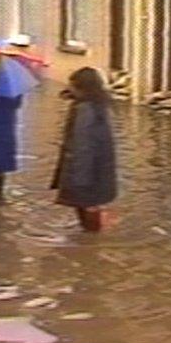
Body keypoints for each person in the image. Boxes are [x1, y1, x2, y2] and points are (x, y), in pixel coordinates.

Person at [52, 67, 118, 231]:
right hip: (98, 166)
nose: (69, 87)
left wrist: (79, 177)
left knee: (87, 203)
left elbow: (83, 143)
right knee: (90, 202)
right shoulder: (99, 104)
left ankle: (90, 242)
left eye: (72, 84)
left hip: (86, 168)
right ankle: (90, 239)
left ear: (81, 86)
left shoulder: (85, 110)